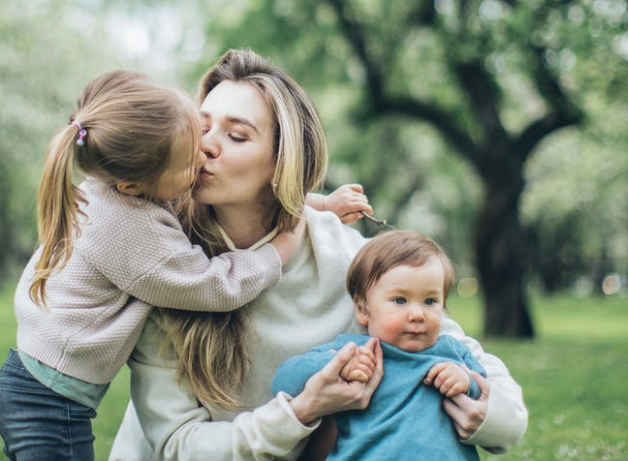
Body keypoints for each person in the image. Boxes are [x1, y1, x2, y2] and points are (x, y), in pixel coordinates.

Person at [109, 49, 528, 461]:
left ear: (283, 162)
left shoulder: (344, 255)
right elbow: (179, 445)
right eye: (200, 129)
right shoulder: (164, 261)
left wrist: (491, 417)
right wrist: (303, 410)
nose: (206, 148)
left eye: (236, 135)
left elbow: (462, 353)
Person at [0, 69, 323, 461]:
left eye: (232, 136)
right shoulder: (130, 229)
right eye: (189, 162)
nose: (204, 155)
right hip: (48, 403)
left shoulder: (121, 183)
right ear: (134, 187)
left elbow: (178, 197)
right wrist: (280, 250)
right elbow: (213, 286)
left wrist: (311, 205)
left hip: (37, 381)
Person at [272, 230, 492, 461]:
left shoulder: (451, 353)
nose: (417, 314)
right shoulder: (353, 352)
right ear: (363, 310)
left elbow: (483, 393)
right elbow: (283, 381)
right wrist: (335, 365)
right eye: (400, 300)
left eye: (430, 301)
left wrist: (465, 381)